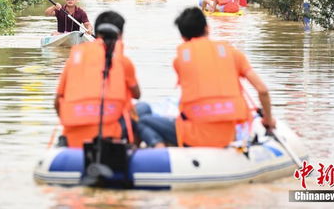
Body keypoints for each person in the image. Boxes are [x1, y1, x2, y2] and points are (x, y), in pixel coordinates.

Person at [138, 8, 275, 148]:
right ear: (207, 28)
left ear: (183, 38)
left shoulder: (180, 60)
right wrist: (268, 120)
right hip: (229, 136)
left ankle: (159, 149)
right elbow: (262, 90)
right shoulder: (234, 54)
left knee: (141, 121)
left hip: (194, 137)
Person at [54, 11, 141, 148]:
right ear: (120, 35)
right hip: (111, 136)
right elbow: (137, 94)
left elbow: (58, 101)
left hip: (73, 136)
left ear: (98, 32)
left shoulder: (75, 57)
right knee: (144, 110)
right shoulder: (123, 61)